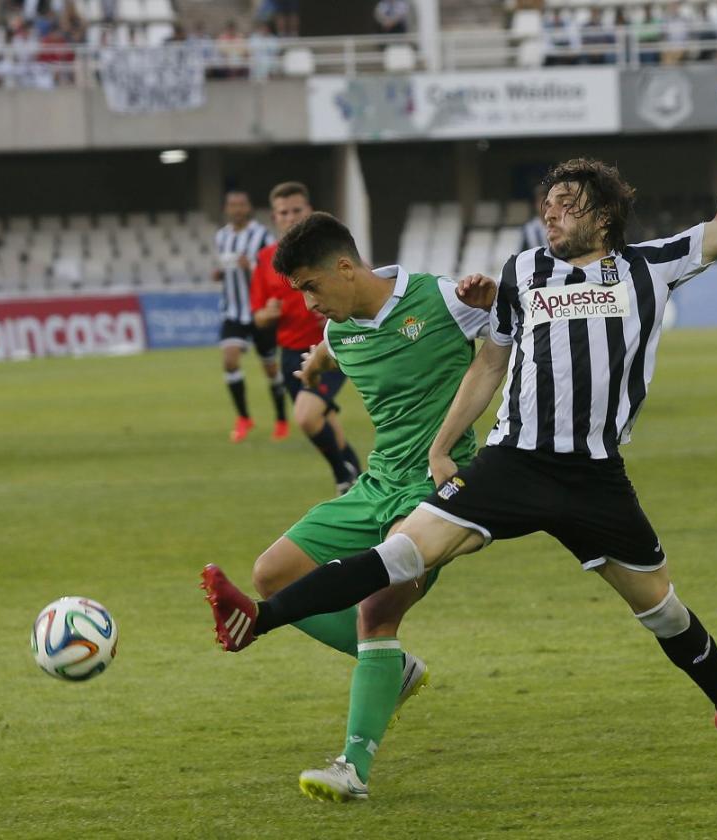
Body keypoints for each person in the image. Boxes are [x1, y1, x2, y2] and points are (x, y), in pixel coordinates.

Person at [202, 65, 717, 784]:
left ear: (604, 216)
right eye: (545, 203)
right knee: (402, 554)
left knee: (665, 615)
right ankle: (257, 621)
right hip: (510, 463)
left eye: (565, 205)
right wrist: (438, 448)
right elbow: (489, 363)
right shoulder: (523, 271)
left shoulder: (652, 267)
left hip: (594, 480)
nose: (549, 214)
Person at [203, 211, 499, 802]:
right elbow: (330, 352)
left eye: (311, 286)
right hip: (375, 484)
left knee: (375, 613)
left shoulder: (439, 299)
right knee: (270, 574)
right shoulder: (339, 332)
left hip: (434, 493)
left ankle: (353, 767)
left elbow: (509, 325)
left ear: (346, 267)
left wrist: (491, 298)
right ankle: (394, 669)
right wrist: (314, 361)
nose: (307, 303)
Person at [249, 181, 361, 491]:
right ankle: (356, 478)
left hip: (329, 347)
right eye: (283, 212)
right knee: (321, 420)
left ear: (309, 211)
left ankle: (342, 477)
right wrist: (267, 315)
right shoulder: (266, 260)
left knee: (307, 416)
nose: (290, 217)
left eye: (296, 210)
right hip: (289, 353)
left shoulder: (332, 253)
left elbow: (360, 287)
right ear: (275, 217)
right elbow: (257, 316)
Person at [212, 189, 285, 442]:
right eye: (232, 205)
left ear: (249, 207)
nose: (237, 209)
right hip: (232, 311)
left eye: (241, 204)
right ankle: (244, 417)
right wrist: (219, 274)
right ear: (226, 208)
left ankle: (281, 418)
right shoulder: (221, 237)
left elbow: (272, 271)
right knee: (230, 360)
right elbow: (223, 268)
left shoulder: (261, 235)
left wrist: (251, 267)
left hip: (258, 311)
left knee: (271, 369)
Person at [520, 181, 550, 251]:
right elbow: (521, 254)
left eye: (546, 202)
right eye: (540, 202)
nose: (543, 206)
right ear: (535, 205)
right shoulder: (528, 229)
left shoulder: (559, 225)